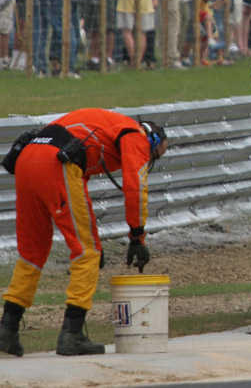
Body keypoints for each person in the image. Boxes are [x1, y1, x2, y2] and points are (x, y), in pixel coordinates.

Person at [0, 110, 168, 357]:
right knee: (86, 252)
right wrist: (137, 237)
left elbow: (80, 190)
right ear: (152, 138)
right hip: (56, 162)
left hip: (27, 159)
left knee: (32, 252)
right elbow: (135, 188)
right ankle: (72, 335)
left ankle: (7, 328)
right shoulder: (136, 134)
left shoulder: (106, 127)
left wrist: (93, 237)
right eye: (155, 154)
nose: (150, 158)